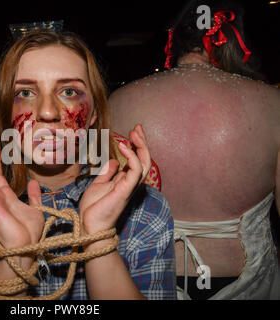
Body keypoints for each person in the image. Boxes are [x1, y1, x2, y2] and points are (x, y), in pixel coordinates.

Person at [0, 30, 176, 300]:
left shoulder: (146, 209)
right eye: (25, 92)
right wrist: (16, 258)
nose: (48, 112)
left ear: (93, 112)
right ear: (6, 113)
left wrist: (100, 237)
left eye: (69, 91)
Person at [108, 0, 280, 299]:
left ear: (173, 42)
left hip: (144, 279)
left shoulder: (118, 101)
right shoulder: (272, 103)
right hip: (252, 282)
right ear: (231, 41)